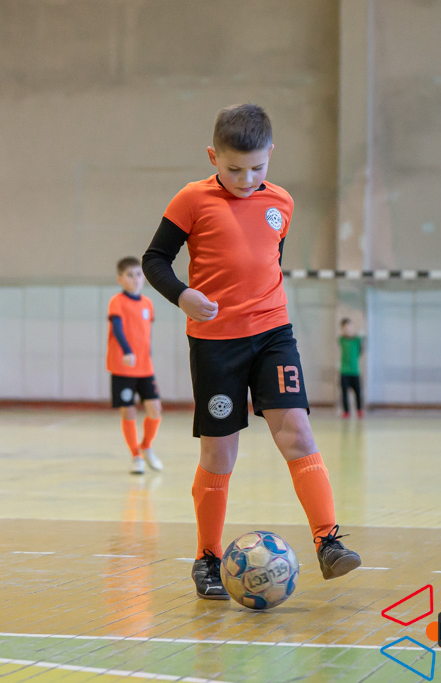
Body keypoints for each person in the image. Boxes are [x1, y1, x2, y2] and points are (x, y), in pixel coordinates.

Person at [142, 103, 362, 600]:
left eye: (257, 168)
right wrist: (182, 295)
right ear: (212, 157)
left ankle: (328, 541)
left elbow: (269, 262)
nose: (246, 179)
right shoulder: (191, 199)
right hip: (215, 344)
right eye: (234, 169)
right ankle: (207, 557)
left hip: (272, 335)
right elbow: (155, 259)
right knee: (219, 451)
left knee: (297, 432)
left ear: (271, 155)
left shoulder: (281, 202)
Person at [107, 256, 163, 474]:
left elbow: (145, 335)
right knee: (128, 411)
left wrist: (146, 356)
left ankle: (146, 446)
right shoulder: (117, 302)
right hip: (123, 367)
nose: (136, 279)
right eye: (130, 275)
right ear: (120, 278)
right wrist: (127, 351)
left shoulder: (148, 303)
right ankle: (135, 455)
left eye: (139, 274)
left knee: (155, 410)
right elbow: (117, 329)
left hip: (145, 368)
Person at [338, 318, 364, 418]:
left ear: (352, 327)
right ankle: (346, 411)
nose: (347, 329)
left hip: (355, 371)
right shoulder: (341, 339)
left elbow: (361, 351)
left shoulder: (357, 340)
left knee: (358, 392)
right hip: (344, 371)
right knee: (344, 393)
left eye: (349, 327)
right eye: (345, 328)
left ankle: (359, 410)